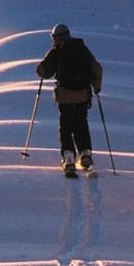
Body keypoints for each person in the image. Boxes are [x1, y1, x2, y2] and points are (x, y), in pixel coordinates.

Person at [36, 23, 103, 175]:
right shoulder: (82, 49)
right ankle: (85, 154)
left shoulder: (56, 51)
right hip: (83, 95)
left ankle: (69, 158)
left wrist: (41, 66)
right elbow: (96, 68)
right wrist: (96, 86)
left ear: (56, 37)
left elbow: (44, 72)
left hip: (65, 95)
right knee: (81, 123)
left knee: (66, 125)